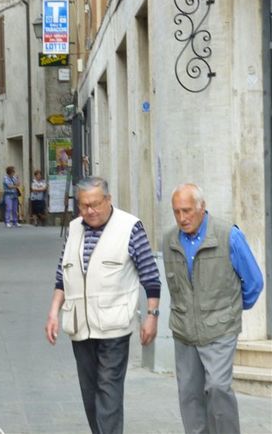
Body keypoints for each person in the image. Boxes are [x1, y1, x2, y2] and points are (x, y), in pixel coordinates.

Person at [45, 176, 161, 434]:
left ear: (108, 200)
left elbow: (151, 276)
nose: (90, 211)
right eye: (84, 206)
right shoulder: (75, 228)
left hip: (114, 328)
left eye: (96, 204)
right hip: (80, 327)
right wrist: (53, 313)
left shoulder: (130, 227)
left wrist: (152, 315)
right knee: (90, 394)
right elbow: (61, 276)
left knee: (108, 392)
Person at [163, 183, 263, 434]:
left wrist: (232, 309)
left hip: (220, 329)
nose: (182, 218)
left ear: (202, 207)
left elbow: (254, 281)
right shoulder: (169, 240)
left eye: (187, 211)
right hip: (184, 331)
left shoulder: (228, 235)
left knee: (218, 388)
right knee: (189, 395)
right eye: (176, 212)